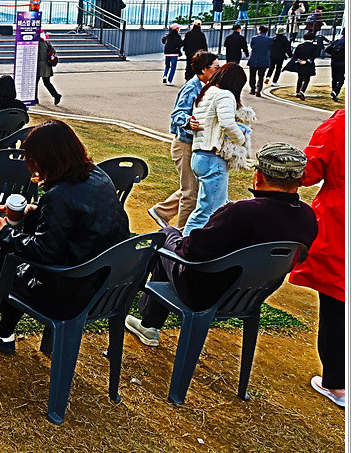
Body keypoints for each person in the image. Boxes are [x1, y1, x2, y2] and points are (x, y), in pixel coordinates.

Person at [128, 143, 317, 348]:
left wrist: (176, 240)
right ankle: (149, 322)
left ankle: (148, 323)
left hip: (203, 294)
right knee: (173, 244)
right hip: (252, 296)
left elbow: (191, 252)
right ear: (302, 179)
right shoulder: (308, 217)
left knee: (167, 236)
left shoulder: (241, 212)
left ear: (259, 176)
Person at [0, 120, 130, 353]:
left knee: (11, 259)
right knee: (25, 235)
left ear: (46, 159)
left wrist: (6, 231)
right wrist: (35, 211)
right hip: (109, 285)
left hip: (74, 295)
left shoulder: (60, 195)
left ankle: (2, 332)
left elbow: (44, 252)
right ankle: (6, 331)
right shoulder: (97, 174)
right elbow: (80, 219)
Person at [288, 111, 345, 408]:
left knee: (337, 304)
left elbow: (308, 171)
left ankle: (337, 383)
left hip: (340, 222)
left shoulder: (341, 125)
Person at [148, 51, 220, 231]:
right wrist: (188, 121)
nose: (219, 71)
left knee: (193, 187)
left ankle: (161, 212)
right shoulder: (192, 87)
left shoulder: (210, 87)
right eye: (216, 68)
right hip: (185, 145)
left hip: (196, 145)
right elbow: (177, 114)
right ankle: (181, 234)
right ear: (203, 69)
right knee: (191, 193)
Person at [182, 63, 248, 235]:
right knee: (208, 211)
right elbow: (227, 123)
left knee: (211, 206)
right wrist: (241, 139)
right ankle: (185, 245)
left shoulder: (206, 93)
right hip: (213, 157)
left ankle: (192, 243)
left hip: (199, 155)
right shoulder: (224, 95)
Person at [284, 32, 319, 101]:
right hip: (309, 64)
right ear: (313, 39)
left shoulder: (300, 46)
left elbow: (295, 55)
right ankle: (302, 91)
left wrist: (299, 60)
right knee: (307, 78)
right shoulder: (314, 47)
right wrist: (307, 60)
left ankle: (297, 91)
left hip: (300, 63)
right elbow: (315, 55)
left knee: (300, 78)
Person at [247, 25, 273, 97]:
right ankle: (258, 89)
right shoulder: (270, 40)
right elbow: (270, 48)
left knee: (252, 75)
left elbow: (252, 46)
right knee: (261, 76)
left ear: (259, 30)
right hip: (264, 60)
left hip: (254, 59)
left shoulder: (254, 38)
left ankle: (252, 89)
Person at [37, 32, 61, 104]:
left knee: (35, 83)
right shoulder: (47, 43)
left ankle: (35, 98)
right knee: (47, 82)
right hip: (47, 65)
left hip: (39, 65)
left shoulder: (37, 44)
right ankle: (56, 95)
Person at [323, 28, 345, 101]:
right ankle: (336, 91)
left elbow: (327, 49)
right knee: (341, 79)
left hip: (334, 61)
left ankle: (333, 90)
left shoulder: (336, 41)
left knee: (334, 78)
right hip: (343, 62)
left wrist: (333, 55)